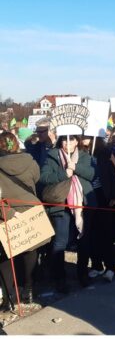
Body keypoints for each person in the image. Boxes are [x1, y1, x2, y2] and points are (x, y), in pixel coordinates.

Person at [39, 134, 97, 292]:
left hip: (82, 204)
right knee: (60, 242)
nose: (68, 143)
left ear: (77, 141)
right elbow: (43, 177)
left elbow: (92, 174)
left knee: (83, 241)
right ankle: (59, 277)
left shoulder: (85, 156)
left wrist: (75, 166)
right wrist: (64, 174)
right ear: (60, 141)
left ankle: (82, 274)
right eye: (65, 139)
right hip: (61, 204)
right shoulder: (52, 156)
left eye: (72, 139)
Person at [0, 132, 43, 309]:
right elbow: (36, 179)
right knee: (30, 252)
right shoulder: (31, 161)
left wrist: (9, 214)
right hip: (30, 210)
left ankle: (9, 296)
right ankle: (29, 290)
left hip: (6, 212)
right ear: (17, 144)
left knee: (6, 256)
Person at [87, 136, 115, 283]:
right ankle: (96, 264)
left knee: (106, 234)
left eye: (88, 138)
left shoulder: (106, 153)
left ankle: (110, 267)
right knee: (92, 234)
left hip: (104, 197)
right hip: (88, 198)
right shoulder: (80, 155)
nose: (85, 140)